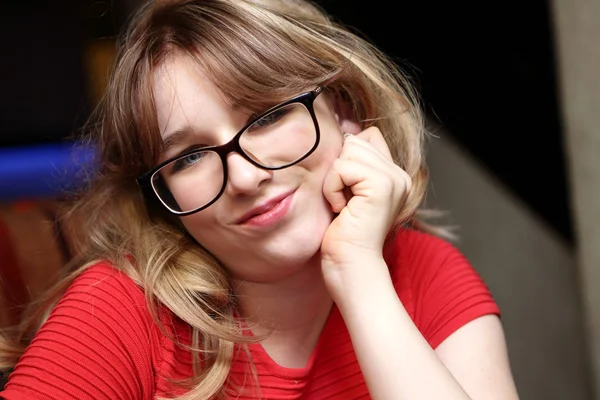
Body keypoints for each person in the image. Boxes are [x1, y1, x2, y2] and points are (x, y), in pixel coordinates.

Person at [0, 0, 519, 399]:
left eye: (268, 117)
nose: (245, 177)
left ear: (345, 111)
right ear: (159, 195)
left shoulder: (427, 275)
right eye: (189, 156)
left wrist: (359, 272)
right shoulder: (119, 313)